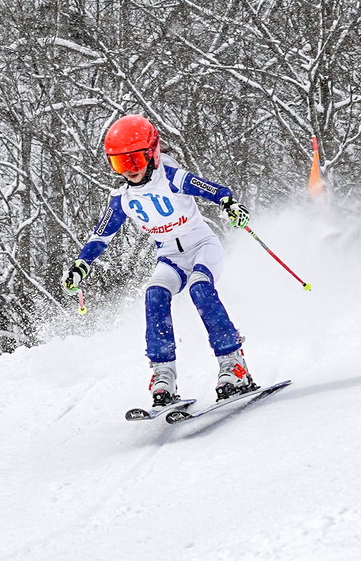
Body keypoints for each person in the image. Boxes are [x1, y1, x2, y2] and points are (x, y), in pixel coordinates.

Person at [63, 114, 255, 406]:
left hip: (202, 246)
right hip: (170, 256)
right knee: (154, 295)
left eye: (134, 161)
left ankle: (233, 364)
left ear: (151, 152)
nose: (129, 171)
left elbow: (214, 190)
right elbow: (101, 236)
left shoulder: (172, 177)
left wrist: (229, 204)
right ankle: (163, 374)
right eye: (120, 163)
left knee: (200, 289)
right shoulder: (123, 198)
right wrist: (81, 265)